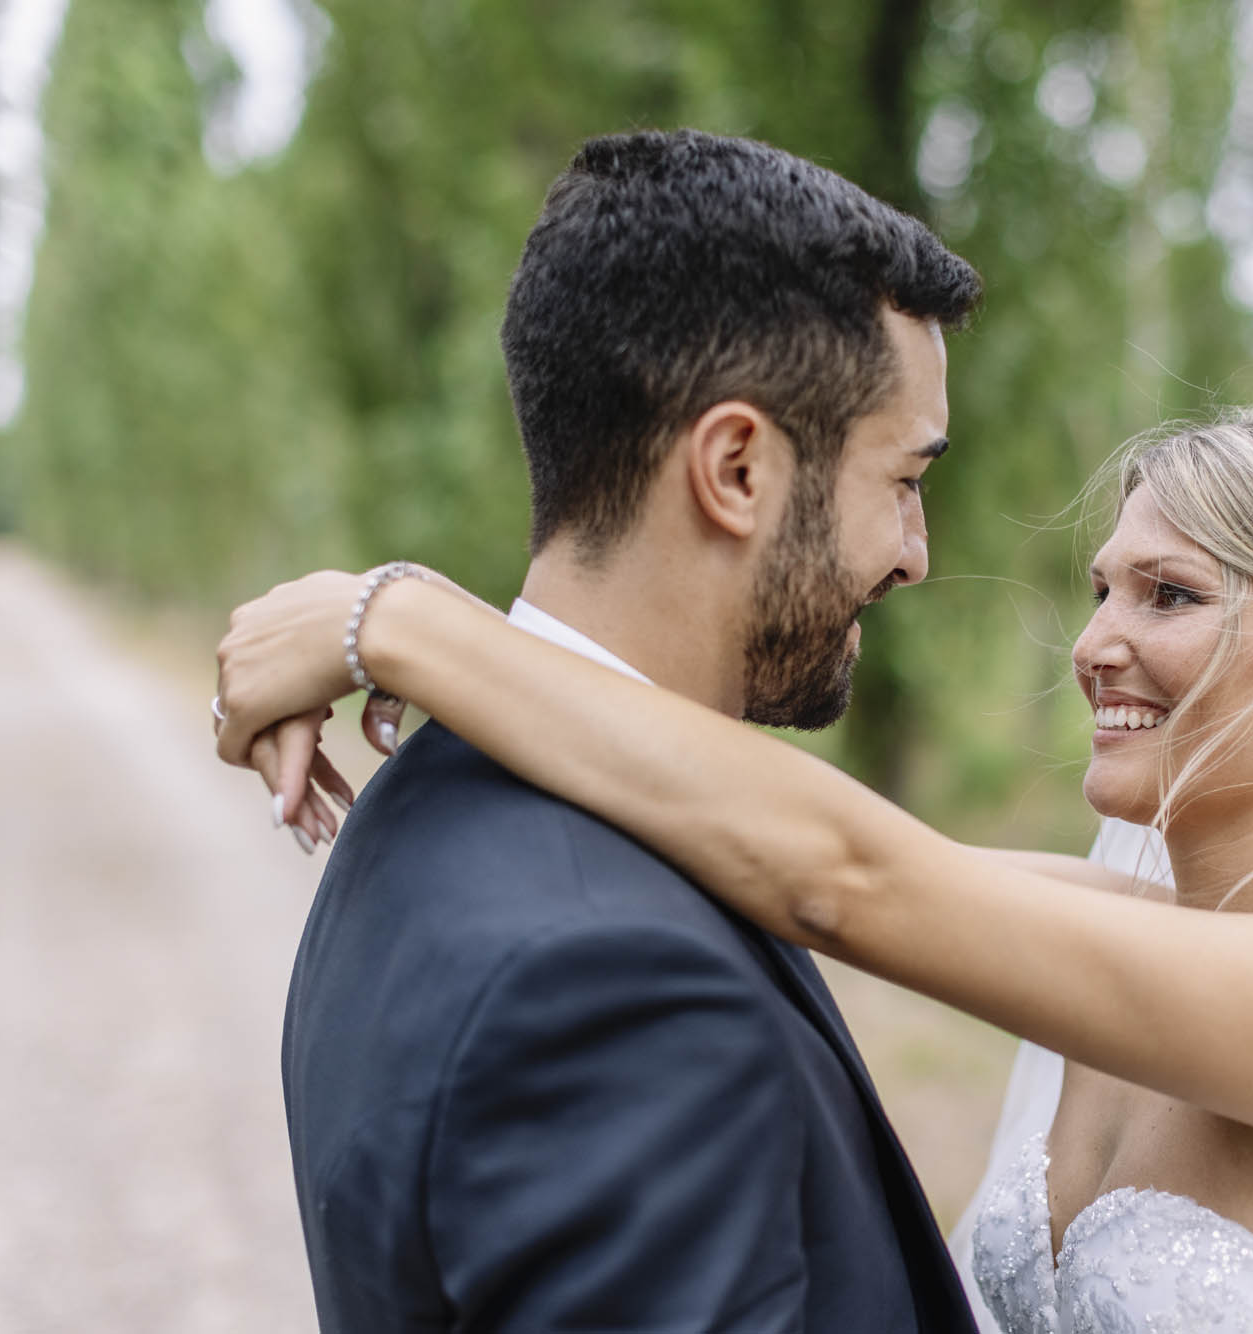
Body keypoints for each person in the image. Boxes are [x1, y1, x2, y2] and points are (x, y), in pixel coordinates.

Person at [216, 390, 1253, 1332]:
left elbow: (846, 875)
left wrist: (387, 619)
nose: (1094, 643)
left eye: (1173, 595)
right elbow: (748, 828)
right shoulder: (1119, 924)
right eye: (1103, 588)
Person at [226, 128, 985, 1332]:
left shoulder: (430, 795)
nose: (914, 553)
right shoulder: (617, 986)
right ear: (735, 467)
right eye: (905, 480)